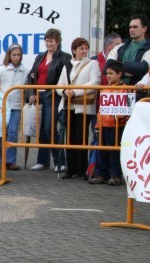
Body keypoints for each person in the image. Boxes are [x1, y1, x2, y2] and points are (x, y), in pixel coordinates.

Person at [25, 28, 72, 172]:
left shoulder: (65, 57)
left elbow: (66, 78)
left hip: (54, 96)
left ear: (57, 42)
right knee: (42, 130)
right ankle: (42, 161)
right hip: (39, 96)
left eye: (51, 41)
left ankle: (60, 161)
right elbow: (31, 75)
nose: (49, 43)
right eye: (47, 40)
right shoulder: (40, 57)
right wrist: (31, 92)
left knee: (49, 128)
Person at [56, 37, 100, 180]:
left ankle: (81, 170)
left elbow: (95, 82)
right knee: (69, 138)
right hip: (69, 105)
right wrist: (65, 92)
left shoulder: (93, 64)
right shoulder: (67, 65)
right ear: (74, 50)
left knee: (80, 137)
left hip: (84, 106)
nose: (84, 51)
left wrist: (76, 91)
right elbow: (60, 84)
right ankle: (70, 169)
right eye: (81, 48)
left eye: (86, 48)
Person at [0, 44, 29, 171]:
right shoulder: (1, 70)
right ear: (9, 55)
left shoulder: (25, 71)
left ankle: (10, 160)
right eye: (14, 55)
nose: (16, 57)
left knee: (13, 132)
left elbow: (29, 85)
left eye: (19, 55)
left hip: (17, 105)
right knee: (1, 132)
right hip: (2, 105)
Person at [90, 61, 127, 186]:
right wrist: (97, 124)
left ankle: (115, 175)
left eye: (111, 73)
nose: (108, 76)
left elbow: (126, 110)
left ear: (119, 74)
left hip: (116, 125)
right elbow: (101, 108)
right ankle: (102, 173)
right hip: (103, 124)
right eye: (107, 73)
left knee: (114, 152)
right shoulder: (105, 88)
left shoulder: (125, 89)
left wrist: (120, 118)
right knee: (102, 151)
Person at [107, 14, 150, 86]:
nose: (131, 30)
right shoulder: (120, 46)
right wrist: (129, 72)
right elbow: (107, 67)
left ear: (144, 29)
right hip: (118, 92)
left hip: (139, 91)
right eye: (130, 27)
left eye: (135, 27)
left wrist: (118, 68)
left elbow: (143, 68)